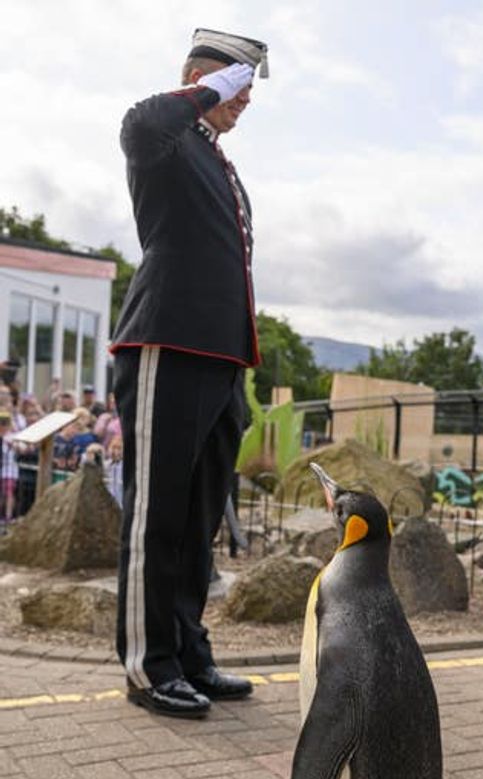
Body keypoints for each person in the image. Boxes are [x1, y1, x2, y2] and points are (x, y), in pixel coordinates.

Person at [110, 27, 268, 718]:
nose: (244, 104)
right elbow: (142, 122)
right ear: (203, 78)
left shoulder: (218, 163)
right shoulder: (166, 141)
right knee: (157, 515)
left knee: (198, 519)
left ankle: (188, 649)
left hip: (221, 359)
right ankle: (149, 665)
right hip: (167, 345)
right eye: (239, 88)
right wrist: (209, 89)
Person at [0, 410, 18, 525]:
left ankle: (8, 516)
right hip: (2, 469)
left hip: (9, 470)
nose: (3, 425)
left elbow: (21, 448)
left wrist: (14, 445)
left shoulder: (12, 436)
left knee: (9, 492)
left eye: (5, 423)